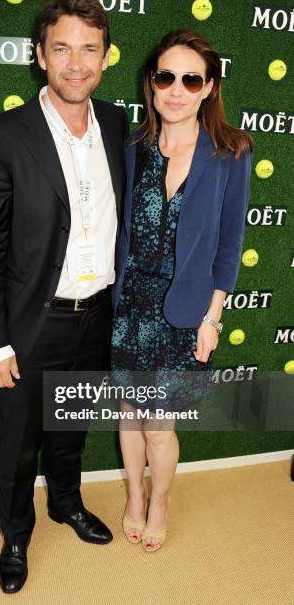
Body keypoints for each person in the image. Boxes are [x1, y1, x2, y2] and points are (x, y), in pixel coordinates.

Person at [0, 0, 128, 594]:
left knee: (72, 429)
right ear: (41, 56)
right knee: (18, 444)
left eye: (89, 49)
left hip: (98, 316)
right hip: (32, 322)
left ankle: (66, 503)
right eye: (62, 48)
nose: (76, 63)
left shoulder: (117, 124)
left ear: (106, 58)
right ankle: (15, 534)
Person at [111, 30, 253, 552]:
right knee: (129, 414)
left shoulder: (231, 153)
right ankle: (133, 497)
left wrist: (212, 319)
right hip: (129, 306)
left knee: (157, 428)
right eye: (165, 76)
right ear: (151, 84)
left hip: (184, 312)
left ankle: (161, 501)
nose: (176, 88)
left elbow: (230, 244)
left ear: (209, 87)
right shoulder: (133, 147)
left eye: (190, 78)